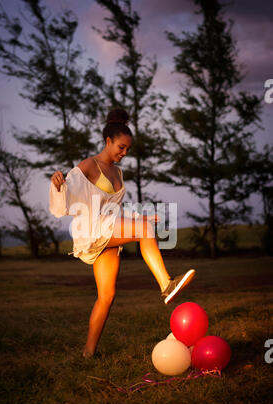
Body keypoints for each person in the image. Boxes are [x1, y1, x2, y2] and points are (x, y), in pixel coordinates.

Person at [50, 108, 196, 358]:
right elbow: (67, 191)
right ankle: (165, 284)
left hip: (109, 230)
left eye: (127, 149)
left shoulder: (117, 173)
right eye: (120, 147)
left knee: (107, 295)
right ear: (108, 141)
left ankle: (88, 353)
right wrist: (57, 184)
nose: (124, 153)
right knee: (144, 230)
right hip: (94, 228)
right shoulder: (89, 165)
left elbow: (114, 210)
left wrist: (141, 219)